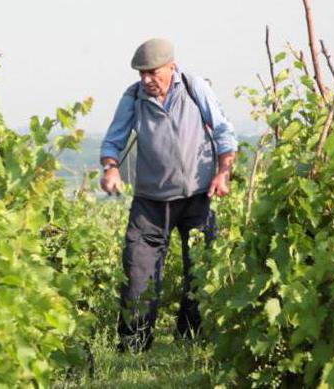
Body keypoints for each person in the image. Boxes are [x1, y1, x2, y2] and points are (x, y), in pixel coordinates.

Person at [99, 38, 238, 352]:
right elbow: (113, 140)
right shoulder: (133, 97)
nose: (147, 79)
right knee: (138, 271)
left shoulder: (194, 87)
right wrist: (111, 168)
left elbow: (223, 131)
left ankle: (191, 338)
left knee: (200, 269)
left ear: (171, 67)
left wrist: (222, 172)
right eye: (142, 73)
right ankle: (134, 344)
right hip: (150, 202)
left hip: (197, 197)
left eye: (153, 72)